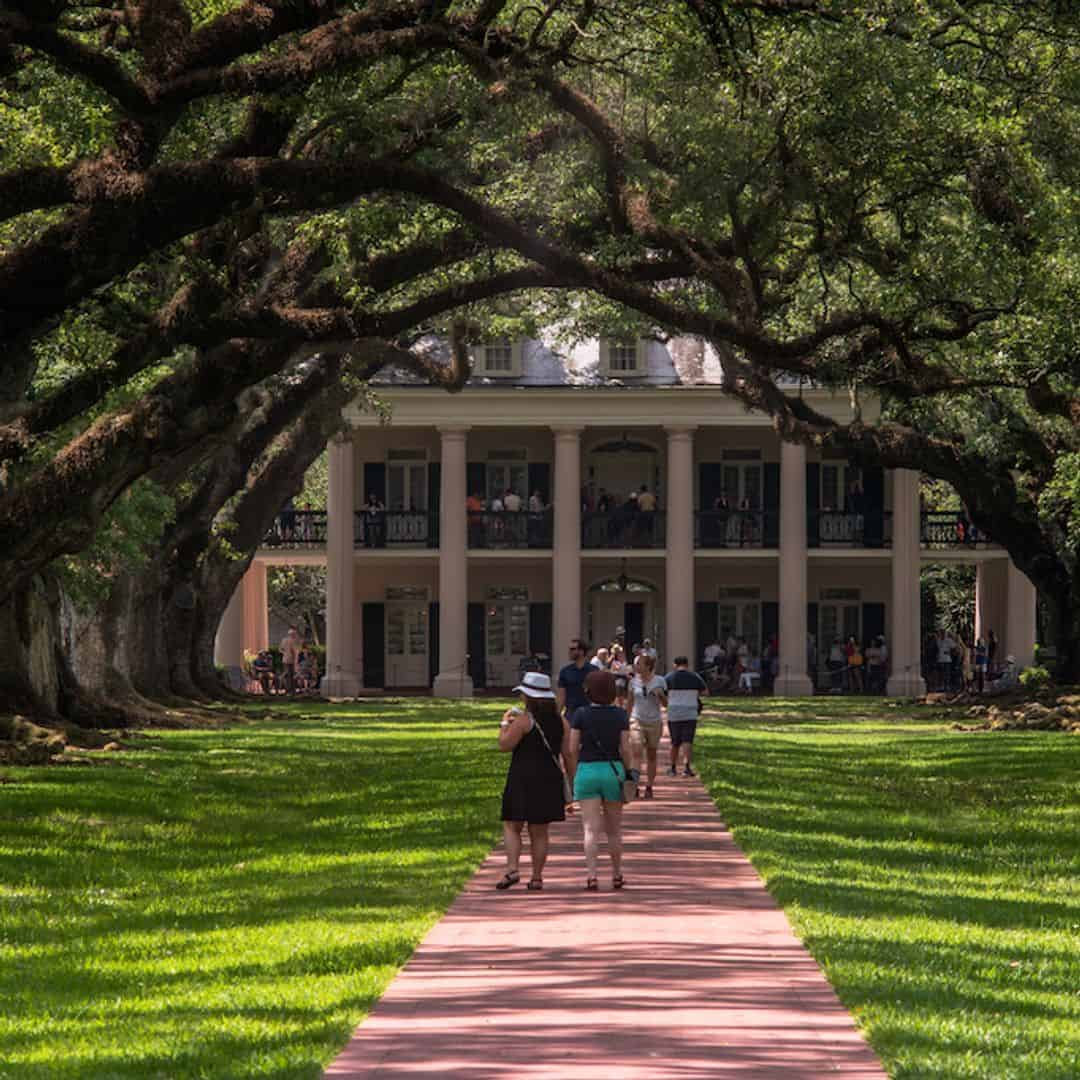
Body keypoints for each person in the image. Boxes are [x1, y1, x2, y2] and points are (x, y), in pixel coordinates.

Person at [495, 672, 570, 891]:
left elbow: (504, 744)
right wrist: (572, 784)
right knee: (540, 830)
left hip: (522, 777)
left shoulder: (523, 721)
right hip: (549, 778)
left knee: (512, 824)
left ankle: (512, 868)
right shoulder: (561, 721)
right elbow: (568, 753)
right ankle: (537, 877)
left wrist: (504, 723)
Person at [569, 669, 635, 891]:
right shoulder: (620, 715)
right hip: (612, 771)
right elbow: (625, 748)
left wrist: (578, 767)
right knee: (614, 829)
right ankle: (617, 874)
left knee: (590, 828)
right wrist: (630, 770)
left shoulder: (580, 714)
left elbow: (571, 748)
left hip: (587, 770)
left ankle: (591, 875)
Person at [629, 653, 666, 798]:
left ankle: (649, 786)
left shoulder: (660, 681)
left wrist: (660, 695)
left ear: (648, 666)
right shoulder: (633, 682)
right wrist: (625, 722)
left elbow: (666, 704)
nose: (636, 666)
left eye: (639, 663)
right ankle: (635, 785)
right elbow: (630, 702)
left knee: (651, 755)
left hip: (654, 722)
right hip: (636, 719)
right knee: (636, 750)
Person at [665, 656, 707, 776]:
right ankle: (687, 768)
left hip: (674, 713)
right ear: (687, 664)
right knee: (687, 741)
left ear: (675, 665)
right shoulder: (695, 677)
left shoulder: (669, 677)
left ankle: (672, 768)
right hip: (690, 713)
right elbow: (705, 692)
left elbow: (662, 692)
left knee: (674, 742)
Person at [557, 637, 594, 721]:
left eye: (572, 649)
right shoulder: (565, 671)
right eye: (569, 649)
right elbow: (561, 696)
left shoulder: (594, 671)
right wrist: (557, 716)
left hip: (589, 713)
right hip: (571, 713)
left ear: (581, 651)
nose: (569, 651)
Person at [280, 626, 302, 694]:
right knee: (291, 675)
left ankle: (288, 689)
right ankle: (291, 690)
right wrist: (296, 662)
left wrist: (285, 653)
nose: (295, 636)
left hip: (285, 660)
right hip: (291, 660)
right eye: (294, 634)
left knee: (288, 675)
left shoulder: (284, 640)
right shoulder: (293, 641)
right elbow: (295, 652)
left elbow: (280, 649)